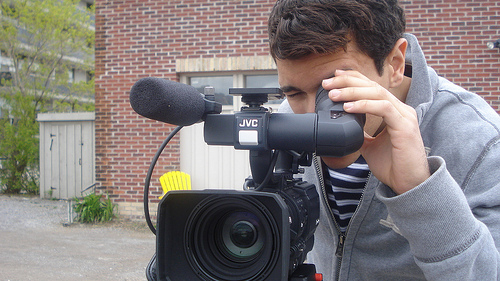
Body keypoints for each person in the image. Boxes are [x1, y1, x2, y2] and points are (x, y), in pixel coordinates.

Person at [268, 0, 500, 280]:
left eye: (333, 91)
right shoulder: (285, 119)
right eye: (293, 95)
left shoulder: (480, 141)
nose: (309, 118)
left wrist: (419, 189)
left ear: (395, 64)